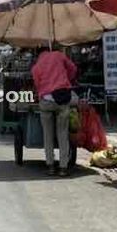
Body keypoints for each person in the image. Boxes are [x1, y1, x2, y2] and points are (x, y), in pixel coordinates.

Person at [31, 45, 78, 177]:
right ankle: (63, 167)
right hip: (63, 99)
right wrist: (66, 78)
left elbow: (37, 85)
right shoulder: (58, 55)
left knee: (48, 135)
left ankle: (50, 166)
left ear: (38, 54)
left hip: (46, 101)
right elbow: (73, 69)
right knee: (62, 134)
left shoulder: (36, 67)